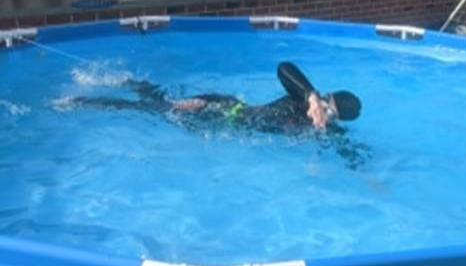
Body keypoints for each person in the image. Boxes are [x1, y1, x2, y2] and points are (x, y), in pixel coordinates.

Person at [70, 62, 370, 169]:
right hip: (219, 110)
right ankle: (83, 100)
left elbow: (349, 152)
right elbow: (283, 68)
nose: (324, 114)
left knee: (161, 106)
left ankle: (132, 84)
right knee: (156, 109)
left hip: (225, 123)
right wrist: (311, 96)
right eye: (327, 104)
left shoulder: (326, 130)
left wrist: (372, 180)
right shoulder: (303, 97)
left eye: (332, 114)